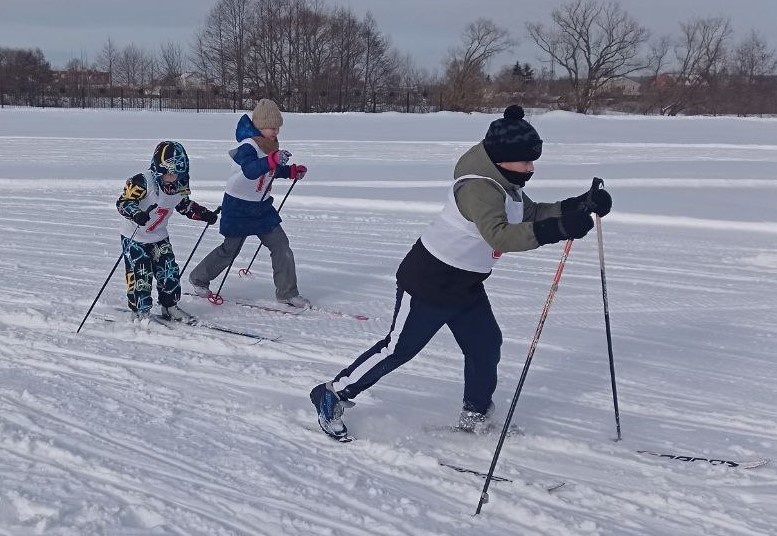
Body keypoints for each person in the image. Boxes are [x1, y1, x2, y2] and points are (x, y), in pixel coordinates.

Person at [309, 105, 612, 441]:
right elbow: (499, 235)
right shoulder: (478, 189)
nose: (531, 167)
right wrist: (557, 229)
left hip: (466, 282)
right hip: (429, 279)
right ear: (501, 158)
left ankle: (475, 414)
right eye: (525, 160)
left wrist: (575, 205)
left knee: (485, 345)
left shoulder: (506, 183)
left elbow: (528, 212)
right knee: (399, 348)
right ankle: (332, 393)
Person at [188, 98, 310, 308]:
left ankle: (287, 293)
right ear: (260, 125)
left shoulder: (270, 145)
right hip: (238, 205)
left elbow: (269, 170)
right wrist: (272, 160)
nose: (276, 132)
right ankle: (198, 279)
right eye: (272, 127)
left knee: (281, 245)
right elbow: (251, 170)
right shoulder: (248, 146)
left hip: (261, 206)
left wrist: (290, 171)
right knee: (230, 250)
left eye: (278, 128)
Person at [116, 140, 219, 323]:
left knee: (169, 270)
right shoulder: (143, 181)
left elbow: (184, 205)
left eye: (177, 173)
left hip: (159, 236)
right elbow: (123, 203)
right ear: (159, 168)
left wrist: (204, 214)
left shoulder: (178, 186)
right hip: (135, 237)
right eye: (169, 172)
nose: (173, 177)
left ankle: (170, 306)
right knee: (141, 273)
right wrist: (136, 213)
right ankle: (141, 311)